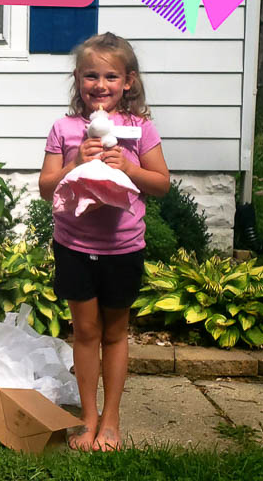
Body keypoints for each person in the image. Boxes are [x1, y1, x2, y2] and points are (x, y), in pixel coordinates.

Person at [39, 32, 169, 451]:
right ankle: (87, 417)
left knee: (115, 333)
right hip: (74, 246)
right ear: (78, 79)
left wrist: (129, 167)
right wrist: (76, 161)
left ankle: (111, 419)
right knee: (84, 333)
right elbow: (46, 188)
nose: (101, 85)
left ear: (128, 81)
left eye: (111, 76)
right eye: (91, 75)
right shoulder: (65, 129)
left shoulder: (139, 129)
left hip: (123, 248)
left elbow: (162, 184)